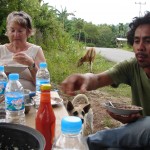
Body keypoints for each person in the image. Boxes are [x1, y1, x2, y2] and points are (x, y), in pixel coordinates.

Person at [61, 11, 150, 149]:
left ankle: (82, 145)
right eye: (137, 41)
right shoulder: (132, 66)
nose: (140, 47)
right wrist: (84, 77)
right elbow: (97, 79)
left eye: (148, 41)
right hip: (138, 138)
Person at [0, 11, 46, 91]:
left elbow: (43, 85)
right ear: (7, 32)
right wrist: (2, 74)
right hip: (3, 99)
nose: (16, 34)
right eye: (12, 30)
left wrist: (31, 65)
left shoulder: (36, 50)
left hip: (30, 99)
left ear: (28, 32)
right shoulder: (1, 49)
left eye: (20, 31)